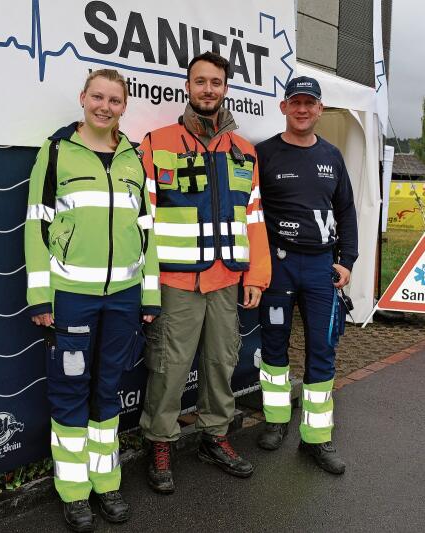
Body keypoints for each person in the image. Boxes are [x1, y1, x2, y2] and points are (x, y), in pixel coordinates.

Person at [24, 69, 160, 532]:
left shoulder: (133, 157)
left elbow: (148, 231)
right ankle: (74, 491)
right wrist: (42, 295)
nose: (105, 106)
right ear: (82, 98)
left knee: (108, 390)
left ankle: (107, 483)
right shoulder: (57, 151)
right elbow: (36, 225)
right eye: (97, 97)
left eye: (114, 99)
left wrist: (150, 293)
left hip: (123, 298)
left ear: (124, 106)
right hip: (71, 298)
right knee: (70, 392)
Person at [137, 52, 271, 493]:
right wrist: (148, 284)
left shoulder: (244, 152)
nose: (208, 89)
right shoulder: (157, 143)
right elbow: (144, 219)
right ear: (188, 86)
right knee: (169, 368)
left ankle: (216, 436)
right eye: (200, 81)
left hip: (227, 281)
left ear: (226, 88)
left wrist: (256, 276)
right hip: (176, 282)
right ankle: (160, 441)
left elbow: (254, 219)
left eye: (216, 82)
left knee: (221, 364)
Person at [254, 76, 358, 475]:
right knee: (275, 345)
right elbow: (249, 212)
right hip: (278, 266)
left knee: (322, 347)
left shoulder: (332, 156)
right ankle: (276, 421)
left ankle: (316, 438)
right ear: (283, 107)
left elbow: (346, 210)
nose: (302, 109)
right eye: (295, 102)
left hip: (320, 268)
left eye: (309, 103)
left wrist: (347, 259)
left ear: (319, 110)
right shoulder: (264, 154)